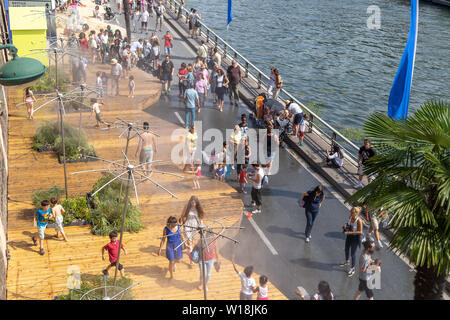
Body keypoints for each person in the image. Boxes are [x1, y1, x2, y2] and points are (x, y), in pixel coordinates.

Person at [180, 196, 205, 266]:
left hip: (195, 226)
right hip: (188, 225)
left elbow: (201, 218)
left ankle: (190, 253)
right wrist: (181, 224)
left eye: (194, 202)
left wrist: (202, 224)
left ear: (196, 202)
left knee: (192, 242)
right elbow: (182, 216)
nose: (193, 204)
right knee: (189, 242)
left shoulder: (198, 208)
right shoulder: (186, 206)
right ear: (190, 202)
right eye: (192, 202)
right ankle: (191, 260)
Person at [340, 206, 364, 277]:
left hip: (355, 238)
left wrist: (349, 233)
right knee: (346, 249)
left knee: (353, 254)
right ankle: (347, 261)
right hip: (349, 236)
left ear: (356, 213)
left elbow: (360, 232)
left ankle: (352, 268)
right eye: (350, 212)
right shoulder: (350, 217)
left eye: (352, 213)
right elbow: (348, 224)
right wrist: (344, 226)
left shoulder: (359, 221)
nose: (350, 214)